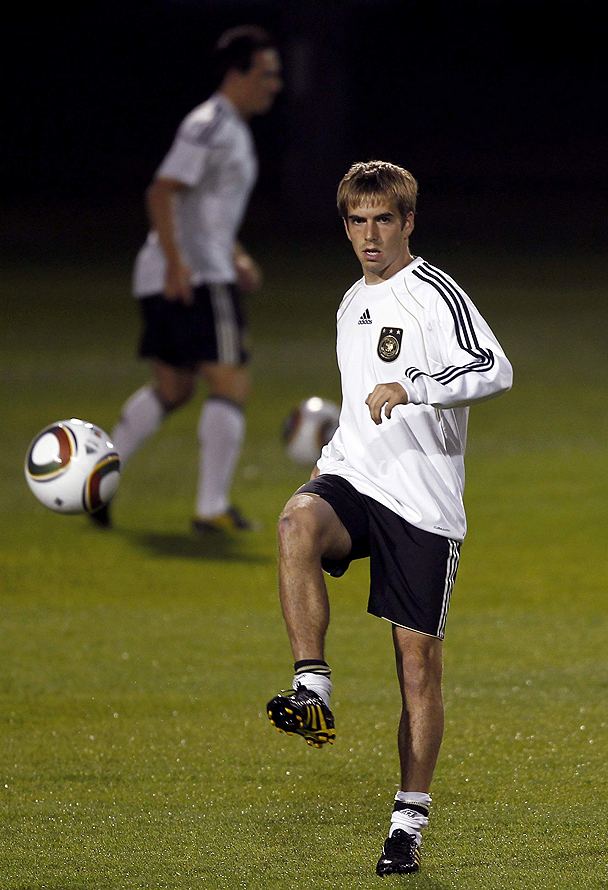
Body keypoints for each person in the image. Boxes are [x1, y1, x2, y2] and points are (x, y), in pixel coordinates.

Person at [266, 161, 513, 876]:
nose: (369, 235)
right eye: (357, 221)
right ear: (345, 227)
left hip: (422, 501)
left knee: (417, 667)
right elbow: (356, 404)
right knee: (295, 524)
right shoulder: (351, 302)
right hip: (357, 478)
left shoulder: (436, 293)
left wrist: (415, 386)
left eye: (382, 220)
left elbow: (494, 368)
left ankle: (408, 822)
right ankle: (312, 688)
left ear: (408, 222)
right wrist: (331, 461)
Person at [93, 26, 282, 532]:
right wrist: (180, 264)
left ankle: (97, 481)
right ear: (238, 73)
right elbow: (162, 191)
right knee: (231, 383)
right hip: (195, 276)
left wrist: (235, 254)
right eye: (266, 74)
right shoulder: (211, 123)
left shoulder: (228, 127)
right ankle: (211, 507)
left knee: (173, 387)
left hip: (182, 269)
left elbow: (202, 209)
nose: (275, 84)